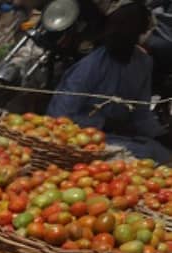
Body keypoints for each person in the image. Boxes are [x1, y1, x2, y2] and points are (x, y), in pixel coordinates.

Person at [47, 1, 170, 163]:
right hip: (84, 139)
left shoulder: (143, 64)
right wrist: (103, 123)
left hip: (123, 138)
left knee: (161, 155)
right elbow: (59, 115)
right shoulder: (91, 66)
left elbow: (141, 113)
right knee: (140, 157)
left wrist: (161, 134)